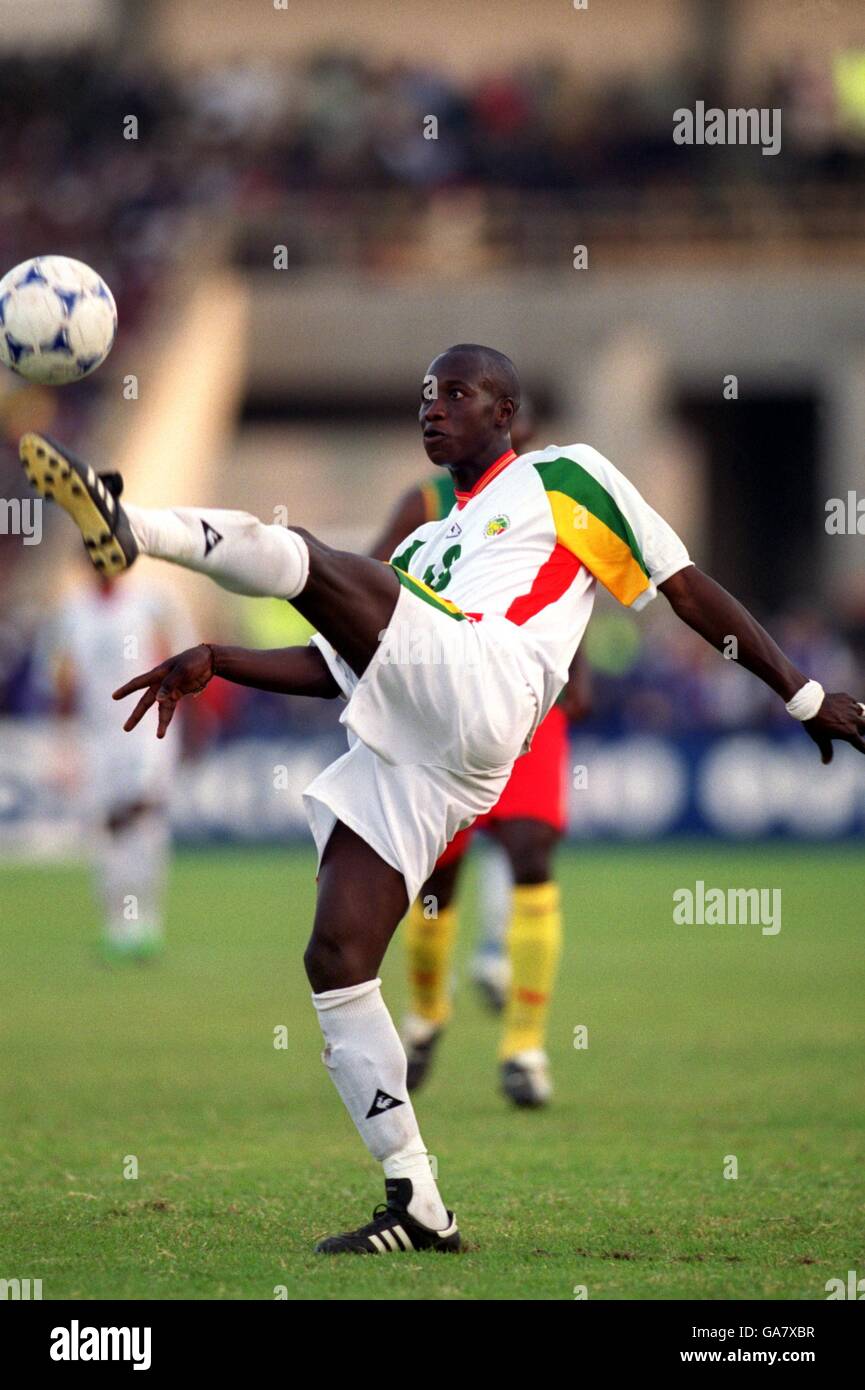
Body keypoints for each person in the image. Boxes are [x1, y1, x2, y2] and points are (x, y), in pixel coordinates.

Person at [20, 343, 865, 1256]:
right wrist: (218, 659)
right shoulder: (425, 542)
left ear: (505, 411)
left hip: (491, 683)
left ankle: (131, 524)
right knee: (336, 955)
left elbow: (684, 587)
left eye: (455, 393)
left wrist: (804, 693)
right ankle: (416, 1202)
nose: (433, 408)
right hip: (428, 747)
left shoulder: (565, 478)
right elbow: (350, 663)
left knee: (305, 557)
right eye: (425, 395)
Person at [368, 403, 592, 1107]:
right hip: (442, 709)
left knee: (531, 857)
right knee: (438, 884)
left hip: (530, 699)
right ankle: (428, 1014)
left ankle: (524, 1048)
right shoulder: (426, 502)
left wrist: (577, 675)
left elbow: (571, 585)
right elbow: (367, 583)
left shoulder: (554, 495)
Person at [37, 565, 191, 960]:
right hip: (97, 737)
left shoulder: (152, 599)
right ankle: (118, 927)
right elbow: (60, 682)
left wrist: (189, 720)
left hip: (147, 732)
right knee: (107, 830)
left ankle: (149, 924)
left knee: (142, 820)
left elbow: (184, 658)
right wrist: (64, 743)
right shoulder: (71, 612)